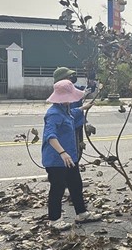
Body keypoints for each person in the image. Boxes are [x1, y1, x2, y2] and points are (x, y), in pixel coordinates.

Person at [42, 80, 101, 231]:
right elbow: (50, 136)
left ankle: (81, 213)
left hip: (70, 159)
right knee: (58, 188)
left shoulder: (65, 109)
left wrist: (83, 108)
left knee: (76, 185)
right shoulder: (53, 114)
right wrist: (62, 153)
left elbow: (73, 115)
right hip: (56, 161)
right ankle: (55, 220)